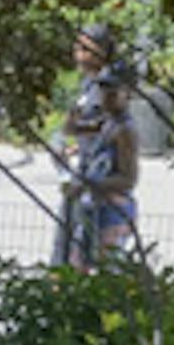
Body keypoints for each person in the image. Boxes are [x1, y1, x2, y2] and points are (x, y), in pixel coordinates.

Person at [54, 26, 141, 270]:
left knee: (106, 276)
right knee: (75, 267)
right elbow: (81, 132)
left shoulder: (124, 129)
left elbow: (128, 179)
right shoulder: (105, 118)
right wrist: (71, 136)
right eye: (103, 90)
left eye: (113, 91)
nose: (106, 97)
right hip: (89, 205)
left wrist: (86, 184)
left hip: (110, 209)